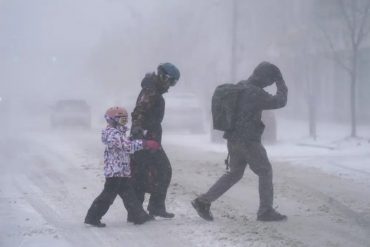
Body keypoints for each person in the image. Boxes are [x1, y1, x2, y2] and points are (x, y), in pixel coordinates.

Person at [191, 61, 288, 222]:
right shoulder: (255, 93)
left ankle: (203, 201)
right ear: (265, 78)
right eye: (269, 81)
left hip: (233, 139)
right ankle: (265, 211)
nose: (269, 84)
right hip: (249, 140)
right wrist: (280, 81)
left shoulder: (241, 86)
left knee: (234, 173)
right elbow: (280, 101)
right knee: (265, 171)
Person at [84, 106, 161, 227]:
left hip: (122, 171)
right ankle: (93, 217)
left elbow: (126, 144)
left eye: (125, 120)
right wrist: (145, 143)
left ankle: (139, 216)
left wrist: (136, 139)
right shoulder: (111, 133)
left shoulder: (119, 133)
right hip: (115, 171)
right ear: (112, 120)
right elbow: (126, 146)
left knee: (129, 195)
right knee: (108, 196)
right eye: (121, 120)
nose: (124, 123)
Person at [129, 62, 180, 219]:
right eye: (171, 81)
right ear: (163, 76)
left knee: (144, 172)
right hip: (145, 137)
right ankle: (143, 210)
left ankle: (141, 210)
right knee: (161, 170)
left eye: (174, 83)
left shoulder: (154, 89)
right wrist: (138, 129)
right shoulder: (151, 91)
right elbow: (139, 111)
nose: (171, 86)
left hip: (150, 137)